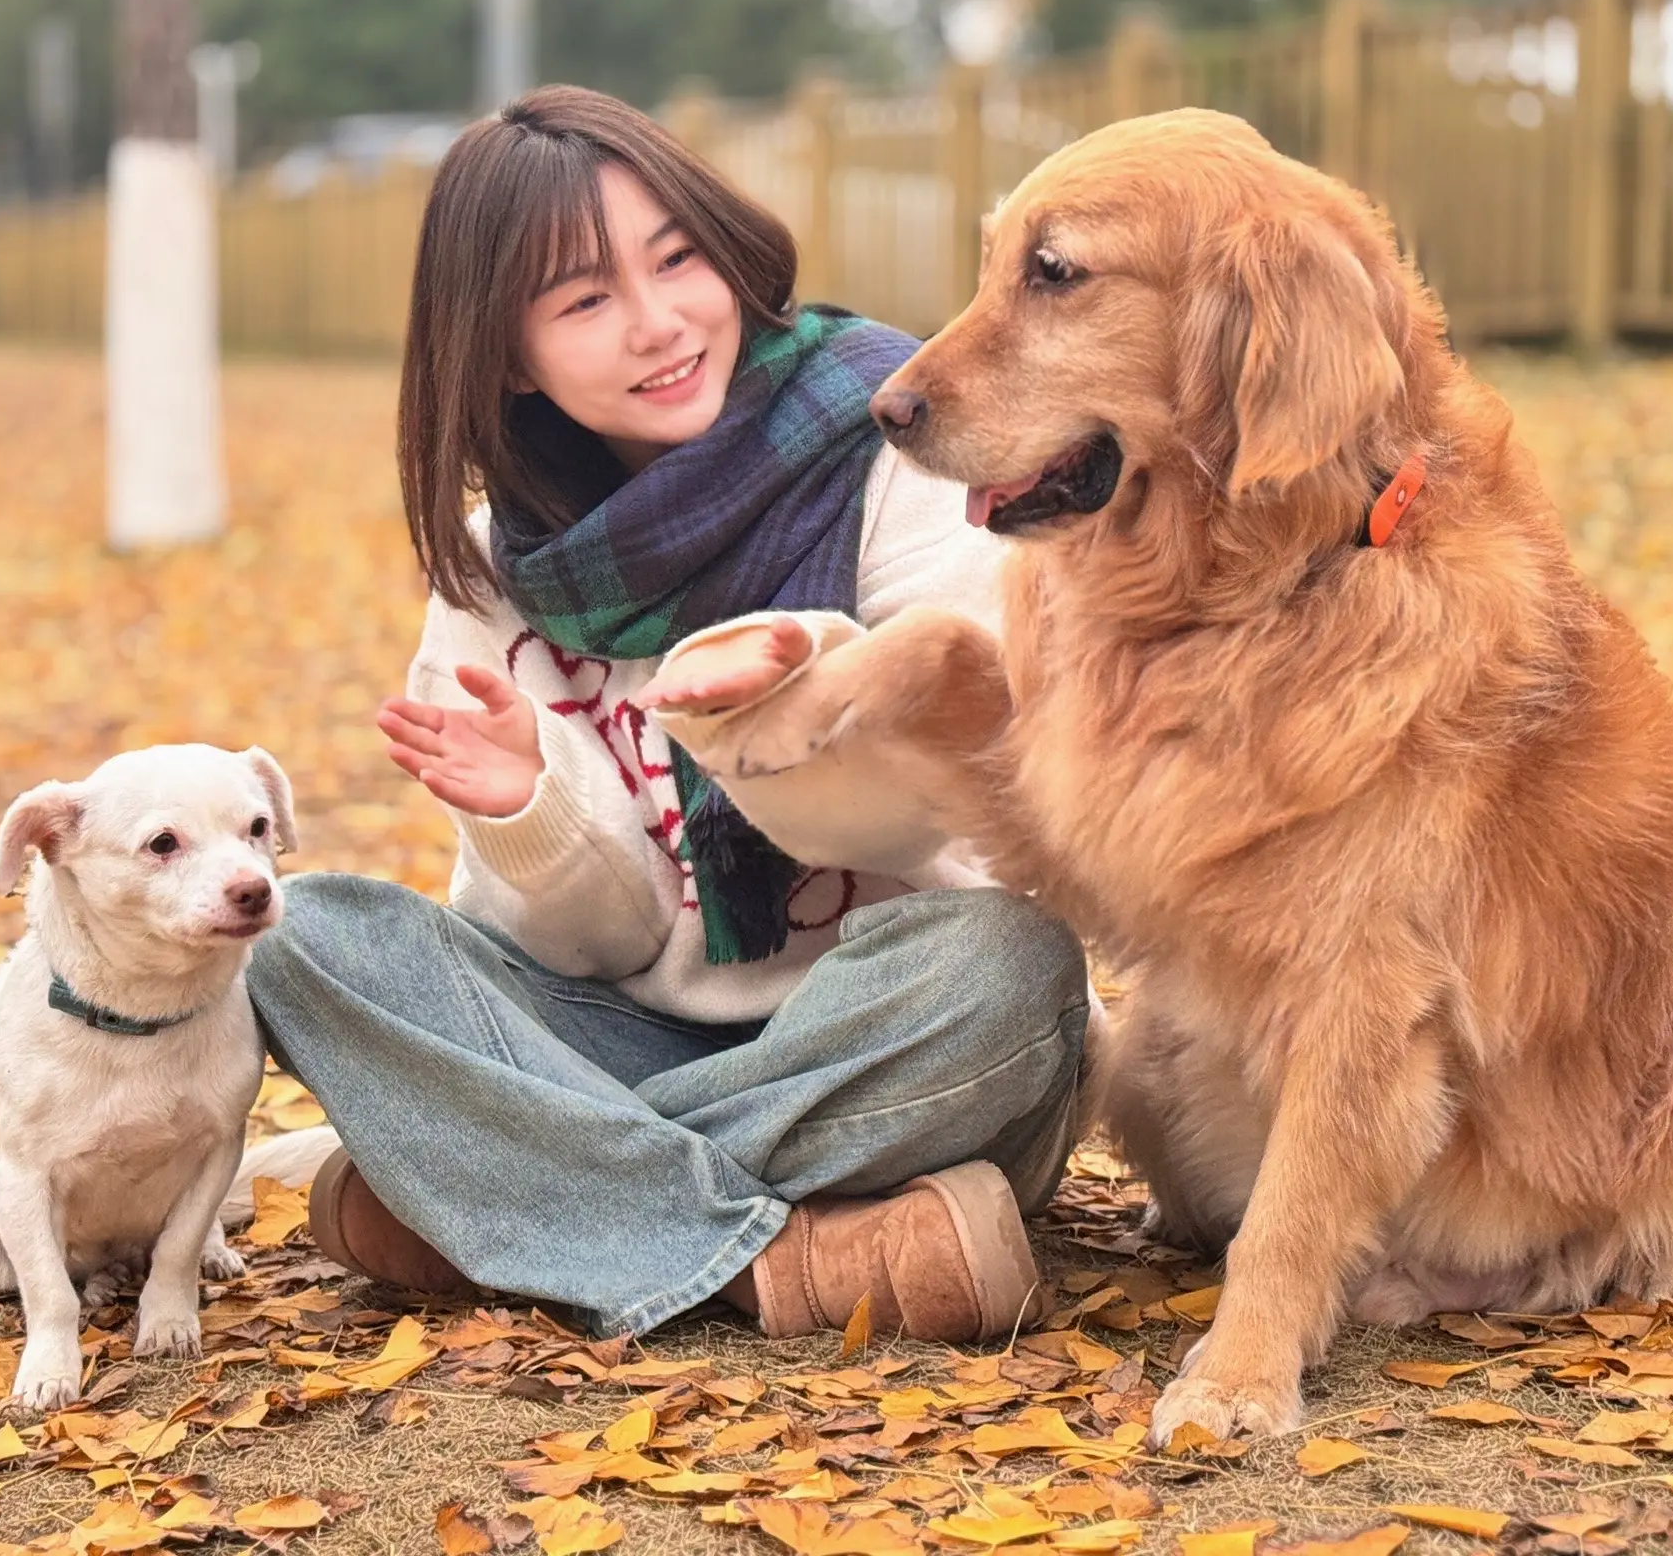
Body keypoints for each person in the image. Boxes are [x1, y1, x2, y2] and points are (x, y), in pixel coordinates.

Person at [243, 85, 1090, 1344]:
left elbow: (953, 825)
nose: (657, 325)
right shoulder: (493, 574)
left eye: (676, 259)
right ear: (509, 360)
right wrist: (538, 810)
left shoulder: (895, 455)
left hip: (876, 1049)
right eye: (584, 302)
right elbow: (589, 949)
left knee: (1011, 969)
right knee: (299, 932)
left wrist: (788, 717)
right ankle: (787, 1264)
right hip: (616, 1042)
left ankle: (500, 1204)